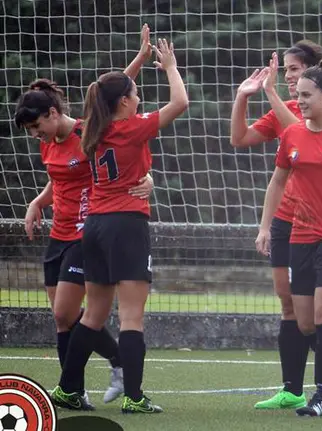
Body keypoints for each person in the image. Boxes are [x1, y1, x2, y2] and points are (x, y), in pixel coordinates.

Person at [15, 26, 156, 407]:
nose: (34, 135)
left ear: (53, 113)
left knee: (69, 312)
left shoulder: (86, 131)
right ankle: (79, 387)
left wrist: (148, 177)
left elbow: (113, 104)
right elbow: (56, 180)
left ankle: (91, 376)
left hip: (88, 231)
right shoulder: (49, 147)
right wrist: (37, 202)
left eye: (36, 126)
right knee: (64, 318)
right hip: (59, 234)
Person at [233, 40, 322, 409]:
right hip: (297, 231)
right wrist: (265, 227)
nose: (297, 95)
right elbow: (272, 173)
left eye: (304, 90)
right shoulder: (294, 130)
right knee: (303, 319)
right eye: (293, 89)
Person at [51, 33, 189, 414]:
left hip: (93, 226)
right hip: (126, 225)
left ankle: (66, 389)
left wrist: (139, 62)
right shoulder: (132, 127)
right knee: (131, 316)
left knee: (93, 315)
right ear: (125, 102)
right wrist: (171, 68)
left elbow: (104, 95)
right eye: (134, 93)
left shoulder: (91, 130)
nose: (139, 97)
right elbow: (180, 102)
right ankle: (134, 396)